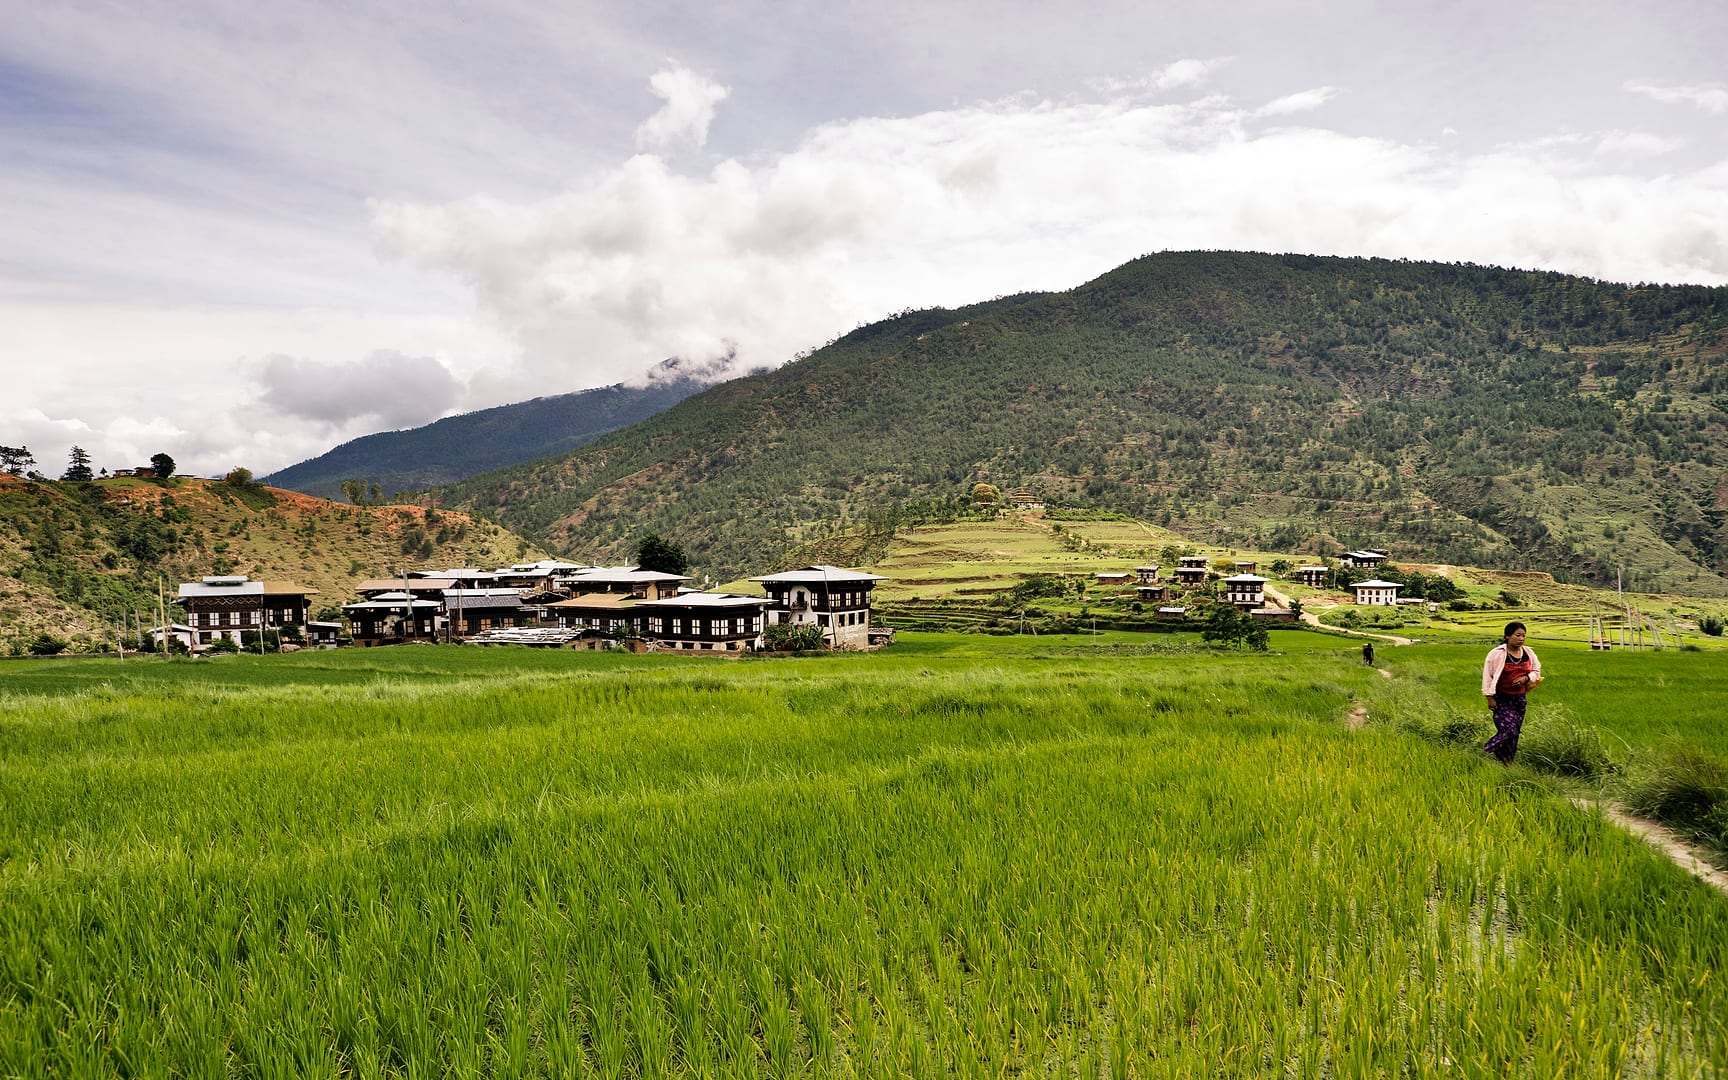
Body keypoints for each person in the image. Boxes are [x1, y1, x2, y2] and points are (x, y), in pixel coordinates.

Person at [1482, 621, 1542, 763]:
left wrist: (1526, 678)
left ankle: (1506, 763)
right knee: (1509, 730)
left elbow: (1536, 671)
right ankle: (1486, 750)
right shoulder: (1496, 654)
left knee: (1514, 734)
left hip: (1519, 699)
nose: (1521, 638)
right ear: (1507, 636)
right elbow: (1487, 676)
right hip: (1501, 698)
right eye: (1517, 635)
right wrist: (1489, 697)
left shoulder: (1528, 653)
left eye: (1523, 636)